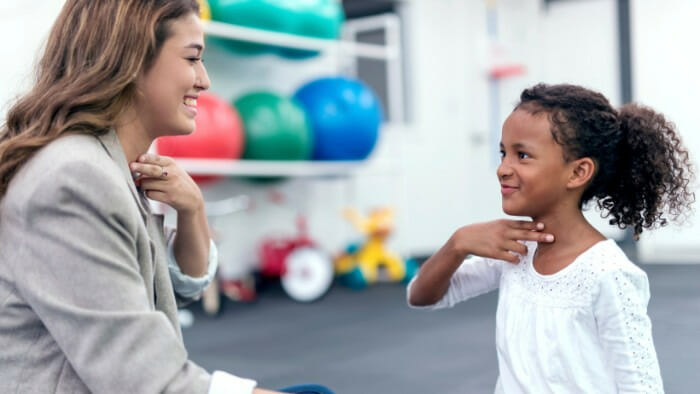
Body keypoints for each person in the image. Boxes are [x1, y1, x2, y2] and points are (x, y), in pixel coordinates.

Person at [0, 1, 332, 393]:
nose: (205, 81)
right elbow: (146, 382)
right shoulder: (74, 178)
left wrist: (192, 209)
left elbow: (174, 289)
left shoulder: (116, 165)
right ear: (132, 59)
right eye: (193, 58)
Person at [407, 83, 694, 393]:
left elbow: (642, 388)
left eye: (523, 155)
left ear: (577, 173)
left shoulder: (608, 275)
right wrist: (457, 243)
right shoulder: (517, 249)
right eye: (503, 153)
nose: (503, 168)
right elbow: (421, 296)